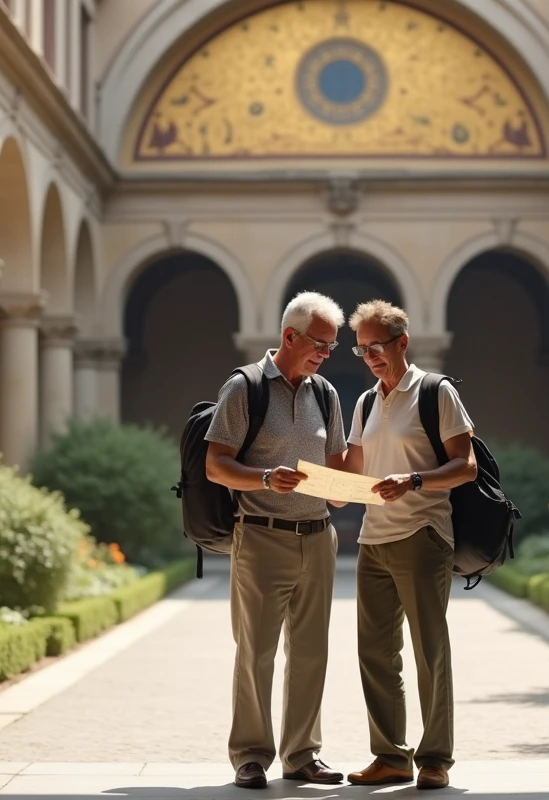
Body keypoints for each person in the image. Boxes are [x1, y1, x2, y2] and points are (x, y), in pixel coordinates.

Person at [204, 291, 348, 790]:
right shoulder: (244, 388)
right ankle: (249, 756)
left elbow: (335, 467)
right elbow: (216, 464)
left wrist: (360, 482)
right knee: (256, 651)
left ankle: (302, 755)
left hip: (318, 537)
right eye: (321, 345)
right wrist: (266, 478)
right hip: (262, 537)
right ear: (290, 336)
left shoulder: (326, 394)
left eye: (331, 348)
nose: (326, 355)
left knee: (311, 653)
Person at [341, 300, 476, 791]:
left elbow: (466, 466)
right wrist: (318, 486)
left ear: (402, 342)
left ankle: (435, 758)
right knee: (375, 653)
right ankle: (391, 756)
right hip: (372, 539)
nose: (371, 356)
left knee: (429, 651)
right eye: (361, 350)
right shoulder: (364, 403)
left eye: (377, 346)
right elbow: (354, 473)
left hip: (422, 534)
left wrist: (415, 480)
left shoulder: (435, 392)